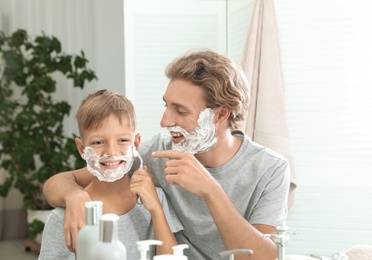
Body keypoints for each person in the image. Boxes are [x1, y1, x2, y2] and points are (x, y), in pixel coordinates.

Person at [43, 49, 290, 260]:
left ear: (220, 115)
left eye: (180, 111)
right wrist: (74, 196)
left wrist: (210, 190)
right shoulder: (157, 153)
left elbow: (264, 257)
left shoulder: (269, 169)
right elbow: (62, 181)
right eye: (166, 105)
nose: (165, 121)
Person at [39, 89, 183, 260]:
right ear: (82, 149)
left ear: (136, 143)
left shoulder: (155, 198)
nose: (111, 152)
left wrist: (156, 210)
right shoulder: (67, 216)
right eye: (98, 142)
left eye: (122, 140)